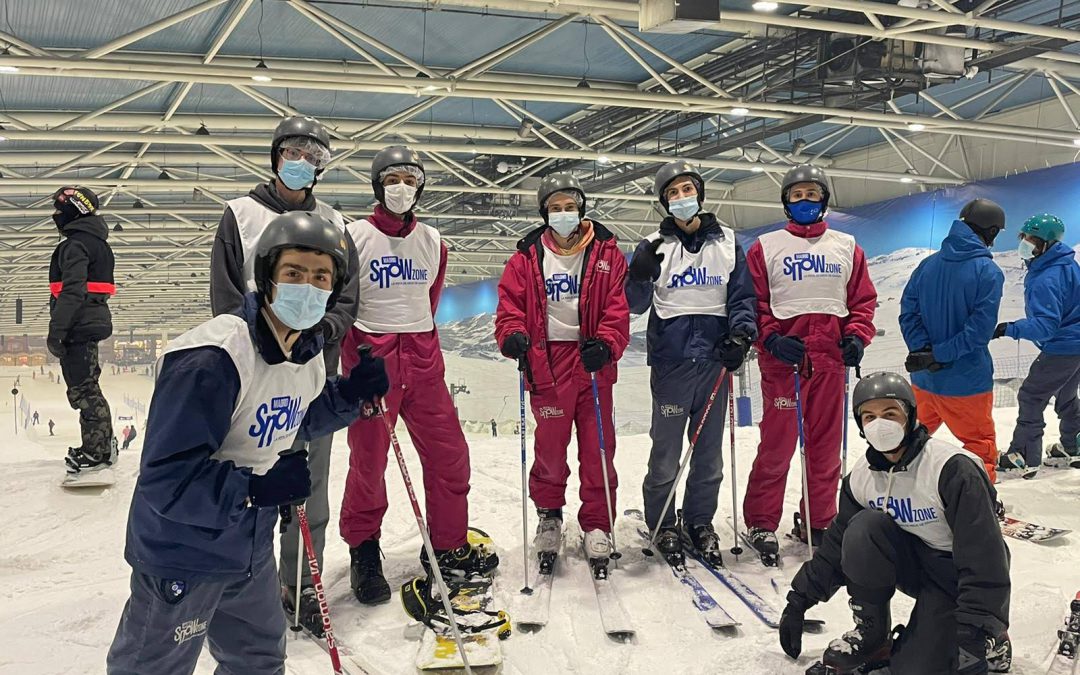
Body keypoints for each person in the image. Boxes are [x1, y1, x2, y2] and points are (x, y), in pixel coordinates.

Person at [106, 212, 389, 675]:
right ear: (267, 278)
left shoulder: (307, 354)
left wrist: (350, 396)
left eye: (321, 278)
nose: (308, 287)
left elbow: (295, 415)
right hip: (186, 550)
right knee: (151, 667)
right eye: (294, 273)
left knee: (257, 661)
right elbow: (166, 481)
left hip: (249, 546)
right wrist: (256, 489)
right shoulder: (212, 358)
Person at [209, 114, 359, 635]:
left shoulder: (337, 224)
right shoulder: (241, 214)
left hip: (311, 380)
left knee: (308, 494)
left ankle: (302, 588)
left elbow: (346, 299)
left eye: (313, 157)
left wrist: (320, 334)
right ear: (275, 157)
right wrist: (261, 345)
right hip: (253, 385)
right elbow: (226, 298)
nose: (302, 164)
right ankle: (244, 594)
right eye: (292, 153)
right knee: (250, 487)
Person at [341, 146, 498, 604]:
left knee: (451, 456)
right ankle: (364, 550)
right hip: (373, 366)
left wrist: (417, 350)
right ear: (377, 185)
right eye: (392, 179)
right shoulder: (352, 237)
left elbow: (427, 304)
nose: (402, 188)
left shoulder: (433, 241)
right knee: (368, 464)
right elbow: (343, 306)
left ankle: (448, 547)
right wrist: (360, 359)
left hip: (424, 365)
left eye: (410, 179)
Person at [778, 372, 1010, 675]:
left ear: (910, 415)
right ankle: (873, 635)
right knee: (863, 528)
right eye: (869, 416)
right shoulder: (861, 478)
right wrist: (799, 599)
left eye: (890, 413)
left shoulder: (951, 469)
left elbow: (984, 555)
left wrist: (976, 631)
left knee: (915, 669)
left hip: (956, 574)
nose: (880, 424)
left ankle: (996, 643)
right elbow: (837, 545)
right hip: (912, 565)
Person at [624, 160, 756, 566]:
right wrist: (640, 275)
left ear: (699, 193)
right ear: (664, 202)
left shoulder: (729, 243)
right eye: (673, 193)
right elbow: (634, 305)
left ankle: (700, 521)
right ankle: (663, 521)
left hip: (714, 362)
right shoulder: (653, 245)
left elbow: (742, 296)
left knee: (709, 454)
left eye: (687, 189)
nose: (682, 198)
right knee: (665, 452)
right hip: (672, 363)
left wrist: (741, 335)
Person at [742, 164, 877, 559]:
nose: (804, 201)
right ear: (786, 201)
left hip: (830, 362)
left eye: (812, 194)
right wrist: (769, 337)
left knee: (824, 449)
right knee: (778, 446)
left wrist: (856, 336)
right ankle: (762, 522)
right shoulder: (765, 247)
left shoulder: (846, 246)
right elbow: (756, 302)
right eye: (797, 195)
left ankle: (819, 520)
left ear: (824, 200)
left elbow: (862, 301)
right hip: (785, 362)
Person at [495, 173, 630, 567]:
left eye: (570, 206)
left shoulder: (607, 254)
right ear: (544, 213)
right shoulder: (526, 257)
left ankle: (597, 524)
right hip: (547, 363)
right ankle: (549, 515)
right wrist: (512, 335)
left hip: (592, 363)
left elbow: (617, 308)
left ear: (582, 209)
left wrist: (606, 343)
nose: (564, 213)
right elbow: (510, 306)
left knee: (598, 449)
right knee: (550, 451)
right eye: (555, 208)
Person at [900, 199, 1006, 482]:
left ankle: (897, 494)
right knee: (979, 447)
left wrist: (923, 351)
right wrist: (941, 355)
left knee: (909, 443)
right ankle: (978, 504)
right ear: (992, 231)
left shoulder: (926, 265)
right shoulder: (988, 271)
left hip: (923, 380)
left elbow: (908, 312)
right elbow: (979, 331)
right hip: (966, 382)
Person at [994, 213, 1080, 477]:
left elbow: (1045, 325)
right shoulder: (1065, 265)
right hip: (1075, 345)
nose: (1025, 243)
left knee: (1031, 395)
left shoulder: (1048, 277)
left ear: (1047, 244)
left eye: (1032, 239)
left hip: (1063, 347)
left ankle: (1023, 455)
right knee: (1065, 397)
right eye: (1024, 237)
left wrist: (1009, 328)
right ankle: (1073, 445)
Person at [47, 186, 117, 478]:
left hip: (77, 325)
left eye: (60, 210)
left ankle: (96, 452)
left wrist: (57, 331)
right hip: (90, 321)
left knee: (83, 391)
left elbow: (73, 291)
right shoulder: (99, 244)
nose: (55, 216)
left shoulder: (75, 245)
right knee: (89, 387)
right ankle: (102, 446)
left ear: (73, 211)